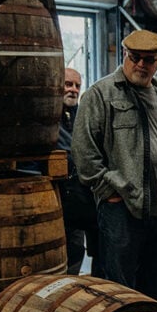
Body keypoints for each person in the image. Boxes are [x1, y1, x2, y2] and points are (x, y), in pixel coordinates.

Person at [73, 30, 157, 301]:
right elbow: (83, 151)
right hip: (123, 208)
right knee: (119, 289)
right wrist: (107, 191)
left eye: (148, 60)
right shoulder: (100, 94)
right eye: (134, 57)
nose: (140, 65)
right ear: (125, 55)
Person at [58, 67, 100, 276]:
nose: (73, 90)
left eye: (77, 85)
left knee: (90, 246)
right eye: (68, 84)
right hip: (62, 193)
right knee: (70, 246)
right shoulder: (50, 116)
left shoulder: (82, 114)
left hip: (84, 193)